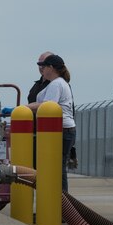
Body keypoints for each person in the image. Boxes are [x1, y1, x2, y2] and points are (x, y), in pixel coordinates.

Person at [25, 54, 77, 192]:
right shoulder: (58, 83)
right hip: (63, 129)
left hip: (61, 130)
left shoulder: (56, 84)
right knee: (56, 167)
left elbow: (47, 106)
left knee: (57, 168)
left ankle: (62, 204)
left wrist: (23, 108)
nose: (42, 69)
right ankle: (60, 204)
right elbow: (42, 103)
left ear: (51, 67)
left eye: (44, 66)